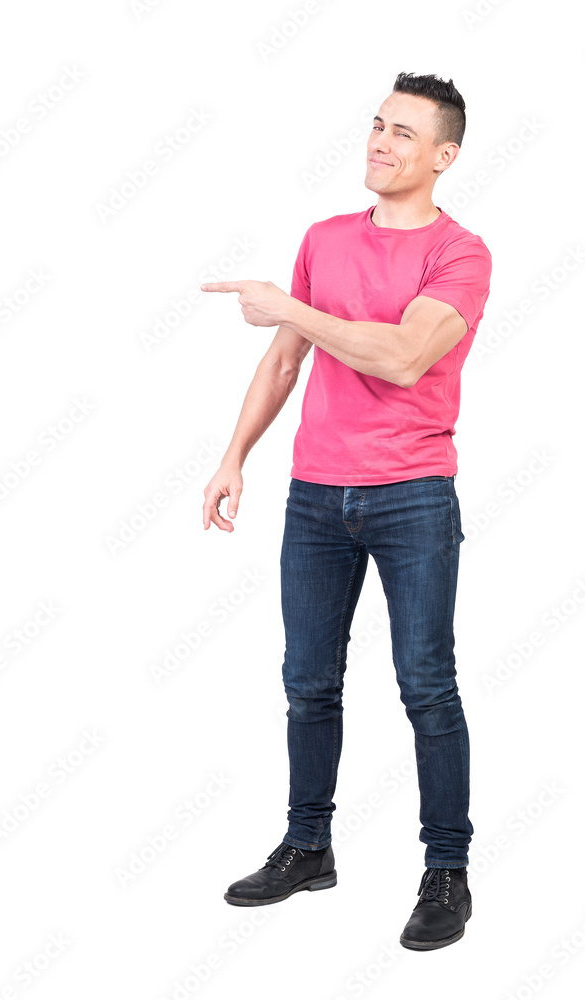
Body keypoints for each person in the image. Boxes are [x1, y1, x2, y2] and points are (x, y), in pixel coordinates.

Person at [201, 71, 492, 951]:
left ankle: (447, 871)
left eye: (404, 133)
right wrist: (233, 456)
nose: (380, 142)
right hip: (316, 498)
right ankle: (307, 846)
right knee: (307, 683)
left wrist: (288, 306)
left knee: (426, 686)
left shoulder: (462, 254)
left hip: (411, 495)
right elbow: (285, 362)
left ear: (444, 156)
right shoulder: (325, 239)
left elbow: (403, 357)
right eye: (376, 124)